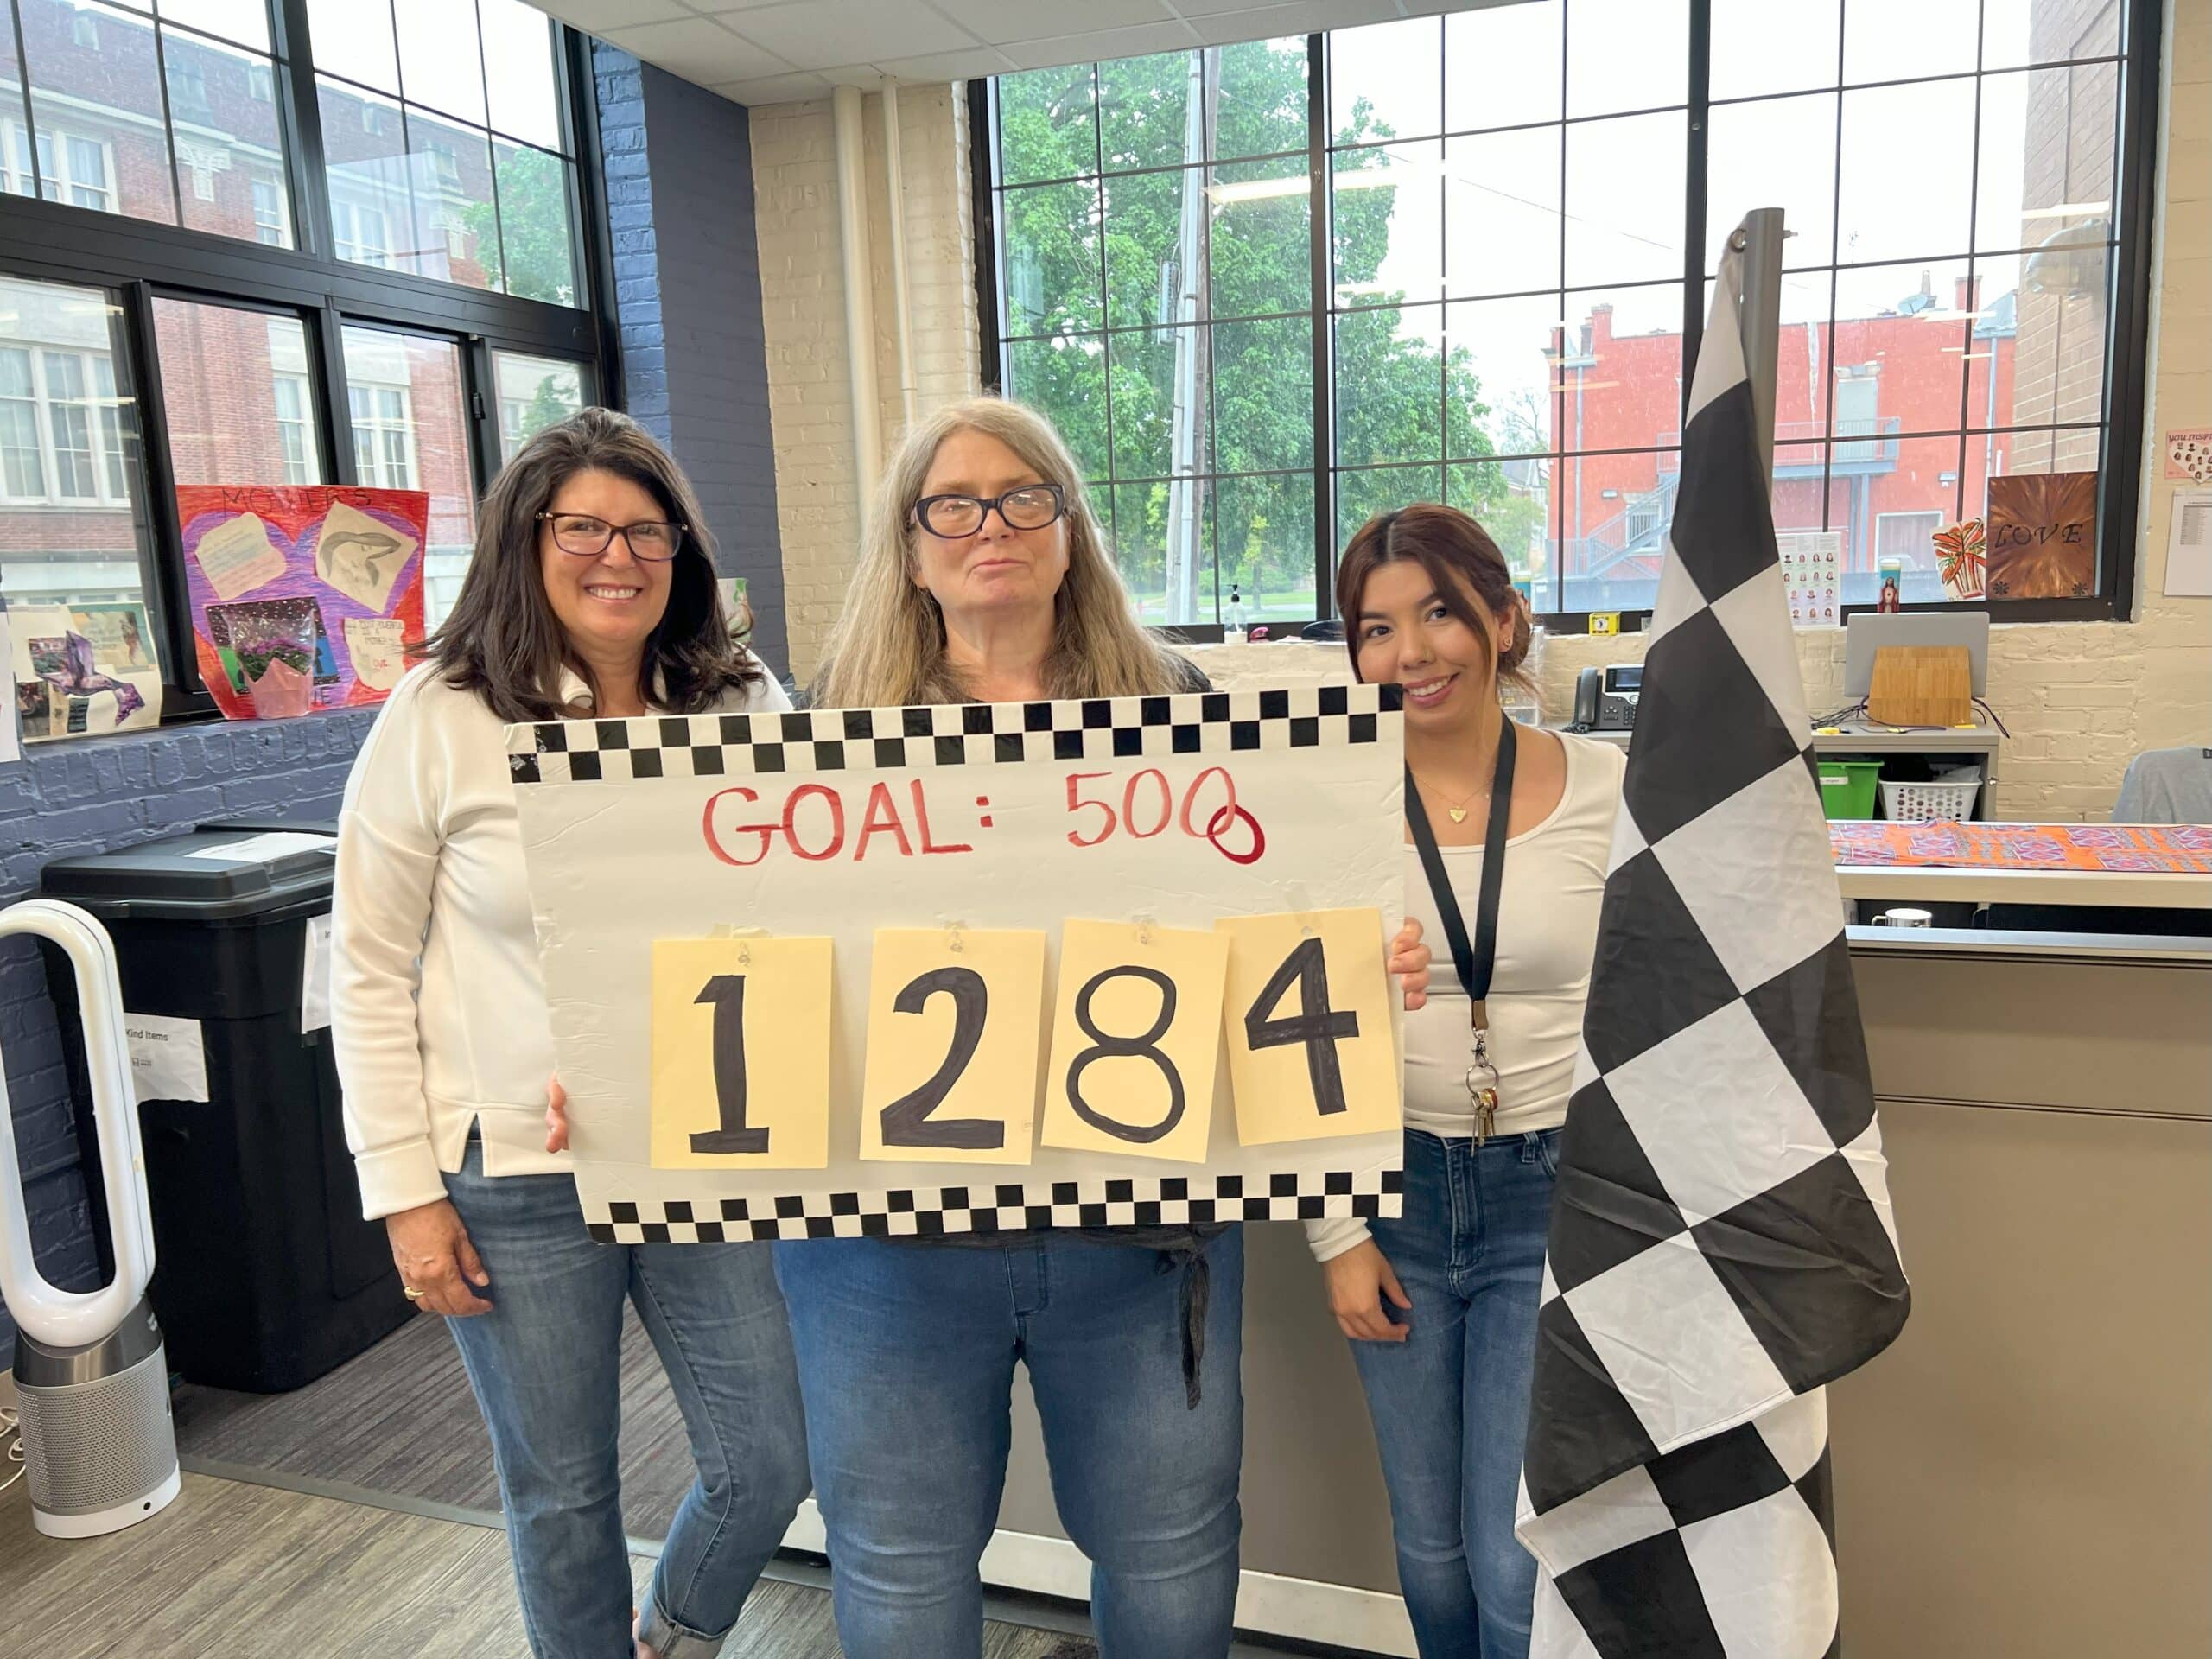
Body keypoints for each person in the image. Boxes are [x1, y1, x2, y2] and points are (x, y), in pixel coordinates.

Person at [778, 395, 1430, 1658]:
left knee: (1173, 1552)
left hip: (1140, 1236)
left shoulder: (1183, 709)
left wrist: (1348, 969)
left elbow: (1263, 935)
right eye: (953, 505)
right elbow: (745, 975)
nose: (994, 528)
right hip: (889, 1246)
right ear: (910, 548)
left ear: (1071, 532)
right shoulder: (819, 739)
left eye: (1029, 498)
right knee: (899, 1565)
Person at [331, 409, 810, 1659]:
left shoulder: (746, 697)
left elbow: (816, 908)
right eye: (584, 527)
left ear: (682, 553)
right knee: (563, 1492)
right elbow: (369, 968)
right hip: (514, 1172)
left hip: (706, 1143)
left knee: (771, 1454)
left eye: (647, 531)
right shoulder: (441, 711)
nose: (619, 556)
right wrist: (405, 1193)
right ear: (525, 542)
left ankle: (673, 1636)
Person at [1310, 504, 1625, 1659]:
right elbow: (1282, 1031)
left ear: (1502, 618)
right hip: (1392, 1193)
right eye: (1377, 627)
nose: (1411, 653)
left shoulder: (1606, 786)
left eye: (1440, 612)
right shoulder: (1326, 804)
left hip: (1553, 1191)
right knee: (1430, 1550)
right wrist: (1334, 1237)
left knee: (1509, 1551)